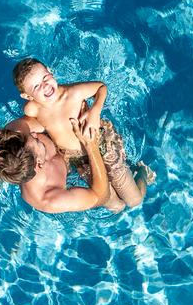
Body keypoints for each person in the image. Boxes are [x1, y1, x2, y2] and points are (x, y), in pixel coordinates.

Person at [10, 58, 153, 211]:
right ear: (28, 96)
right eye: (36, 86)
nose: (45, 85)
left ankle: (142, 172)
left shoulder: (73, 93)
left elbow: (101, 87)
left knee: (134, 200)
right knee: (116, 206)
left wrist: (94, 112)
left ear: (50, 71)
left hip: (102, 145)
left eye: (45, 77)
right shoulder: (32, 109)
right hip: (79, 160)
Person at [0, 116, 111, 214]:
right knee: (113, 204)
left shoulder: (16, 136)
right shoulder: (48, 199)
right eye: (36, 141)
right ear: (39, 163)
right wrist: (91, 145)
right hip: (75, 169)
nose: (34, 134)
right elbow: (101, 197)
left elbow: (49, 115)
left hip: (67, 150)